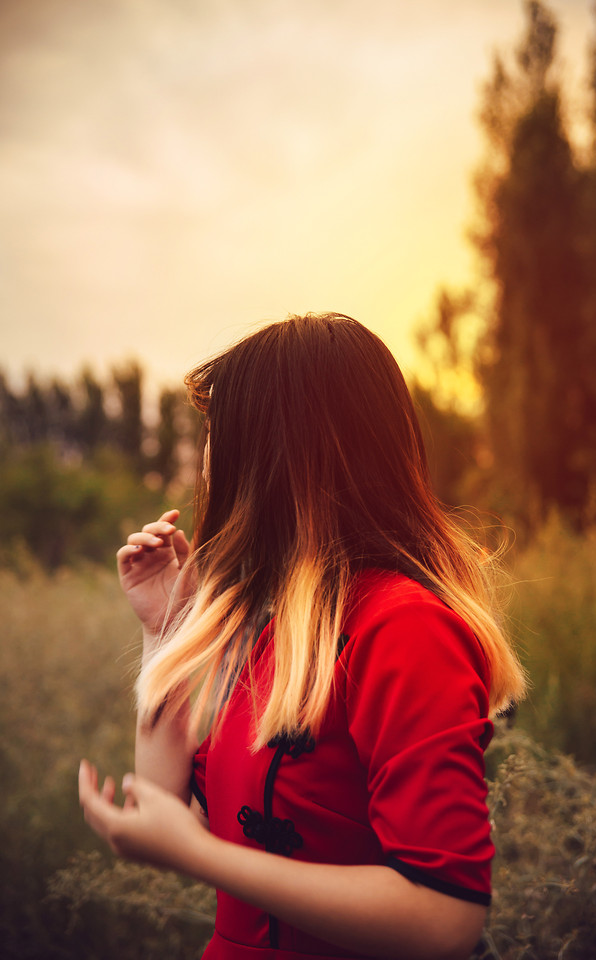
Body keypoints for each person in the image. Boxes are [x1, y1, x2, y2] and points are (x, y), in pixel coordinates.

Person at [79, 313, 525, 960]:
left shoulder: (404, 626)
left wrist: (201, 856)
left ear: (270, 454)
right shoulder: (268, 622)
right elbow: (165, 805)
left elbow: (445, 917)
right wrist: (165, 631)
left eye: (213, 436)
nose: (204, 462)